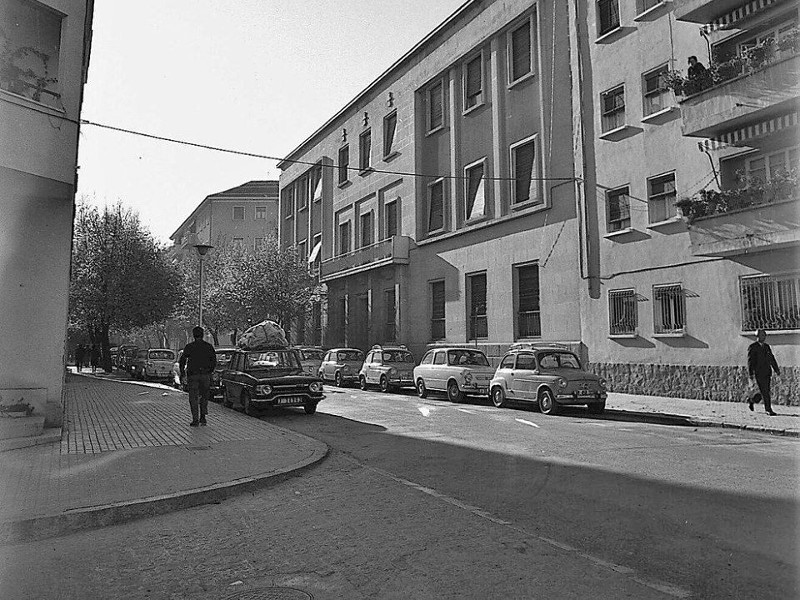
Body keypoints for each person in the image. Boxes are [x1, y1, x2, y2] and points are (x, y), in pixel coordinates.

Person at [179, 326, 217, 427]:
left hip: (193, 375)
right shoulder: (208, 347)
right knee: (204, 396)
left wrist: (182, 373)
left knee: (193, 397)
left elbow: (182, 360)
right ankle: (203, 417)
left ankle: (195, 419)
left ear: (193, 335)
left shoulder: (189, 347)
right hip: (205, 375)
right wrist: (210, 371)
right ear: (203, 334)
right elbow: (214, 361)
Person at [747, 328, 780, 416]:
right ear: (757, 336)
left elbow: (771, 358)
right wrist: (751, 374)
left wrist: (776, 369)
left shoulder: (766, 347)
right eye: (762, 335)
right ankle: (768, 409)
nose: (764, 337)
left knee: (765, 391)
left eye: (764, 335)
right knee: (765, 391)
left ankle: (752, 400)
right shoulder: (753, 347)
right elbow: (750, 362)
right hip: (758, 372)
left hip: (767, 372)